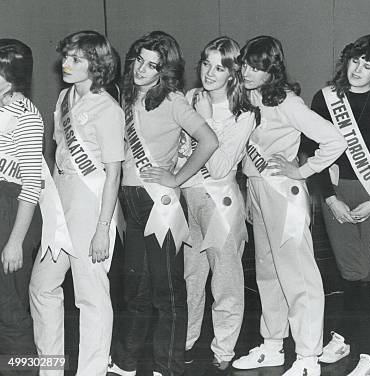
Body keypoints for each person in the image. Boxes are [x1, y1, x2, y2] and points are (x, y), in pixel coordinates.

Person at [231, 35, 346, 376]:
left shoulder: (287, 102)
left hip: (284, 192)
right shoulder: (246, 97)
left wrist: (303, 169)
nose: (248, 72)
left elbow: (334, 139)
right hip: (256, 187)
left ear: (272, 70)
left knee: (298, 274)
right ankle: (272, 345)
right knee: (268, 272)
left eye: (257, 67)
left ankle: (309, 356)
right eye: (245, 65)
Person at [107, 31, 218, 376]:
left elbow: (209, 141)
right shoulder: (122, 95)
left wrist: (176, 177)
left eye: (152, 65)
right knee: (134, 289)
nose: (142, 69)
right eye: (139, 60)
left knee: (166, 291)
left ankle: (167, 367)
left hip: (160, 203)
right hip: (128, 200)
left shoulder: (172, 100)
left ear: (164, 70)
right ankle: (126, 362)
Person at [28, 31, 124, 376]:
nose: (65, 64)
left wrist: (102, 230)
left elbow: (114, 174)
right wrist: (51, 208)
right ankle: (50, 368)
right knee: (42, 286)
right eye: (66, 56)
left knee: (90, 295)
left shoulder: (109, 110)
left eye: (75, 59)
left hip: (92, 207)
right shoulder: (65, 97)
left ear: (96, 66)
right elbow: (58, 155)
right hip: (63, 204)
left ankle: (92, 370)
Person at [308, 34, 370, 376]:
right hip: (336, 194)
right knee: (350, 272)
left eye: (368, 65)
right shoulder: (326, 98)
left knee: (361, 274)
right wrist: (329, 198)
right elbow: (311, 153)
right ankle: (346, 337)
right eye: (355, 61)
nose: (359, 70)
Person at [177, 36, 258, 371]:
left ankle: (224, 349)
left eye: (220, 67)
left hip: (219, 203)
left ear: (232, 72)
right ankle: (185, 340)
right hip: (187, 198)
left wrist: (204, 120)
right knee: (190, 278)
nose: (210, 72)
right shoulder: (190, 96)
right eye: (206, 63)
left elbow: (220, 165)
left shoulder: (243, 112)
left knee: (225, 281)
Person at [0, 38, 43, 376]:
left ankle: (25, 369)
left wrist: (16, 241)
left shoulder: (26, 115)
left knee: (11, 304)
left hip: (12, 209)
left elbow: (32, 185)